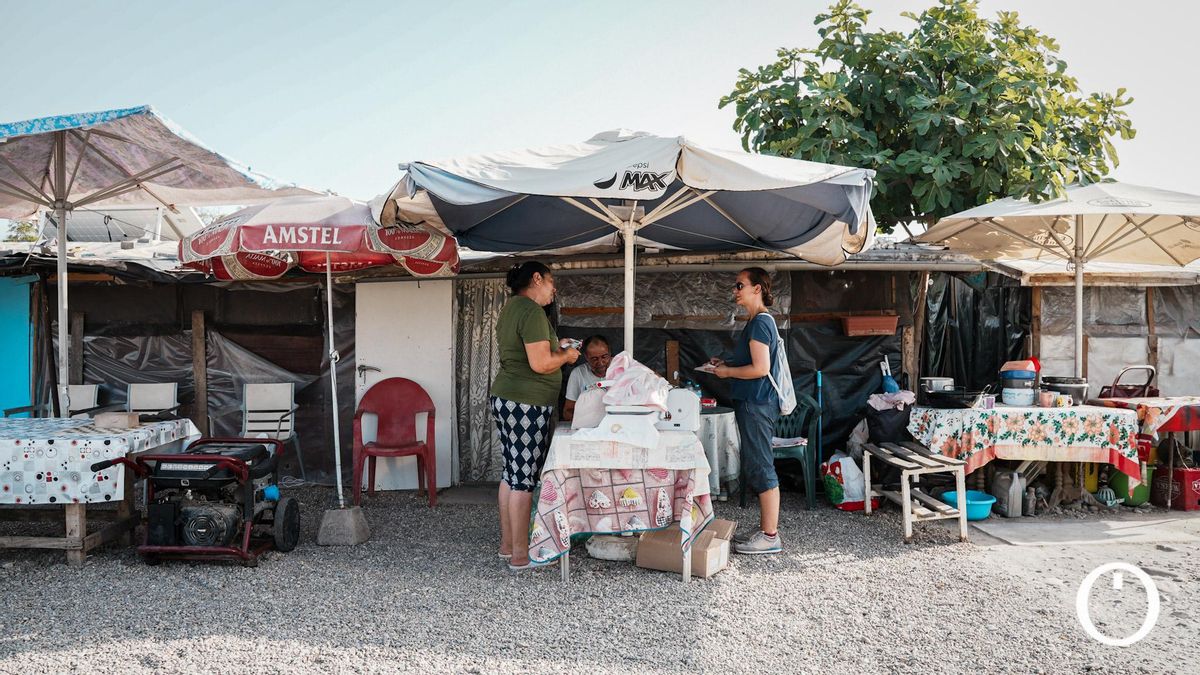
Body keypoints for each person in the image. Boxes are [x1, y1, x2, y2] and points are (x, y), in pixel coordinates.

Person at [491, 261, 580, 570]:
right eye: (551, 282)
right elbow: (541, 364)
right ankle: (520, 555)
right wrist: (566, 356)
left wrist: (559, 345)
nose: (554, 289)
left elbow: (530, 352)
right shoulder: (531, 311)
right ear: (537, 278)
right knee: (524, 480)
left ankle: (506, 546)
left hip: (509, 398)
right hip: (526, 403)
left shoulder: (511, 308)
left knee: (511, 474)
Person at [709, 267, 783, 555]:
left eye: (739, 285)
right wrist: (725, 362)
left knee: (761, 465)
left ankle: (770, 535)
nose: (735, 290)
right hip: (753, 403)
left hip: (756, 403)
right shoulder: (756, 322)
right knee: (756, 462)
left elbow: (760, 369)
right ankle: (766, 529)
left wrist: (727, 372)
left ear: (757, 289)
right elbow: (752, 361)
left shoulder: (760, 323)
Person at [561, 335, 612, 421]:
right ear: (586, 357)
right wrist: (587, 421)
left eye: (604, 357)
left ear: (610, 354)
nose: (600, 363)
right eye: (594, 359)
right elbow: (568, 412)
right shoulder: (578, 374)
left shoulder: (621, 370)